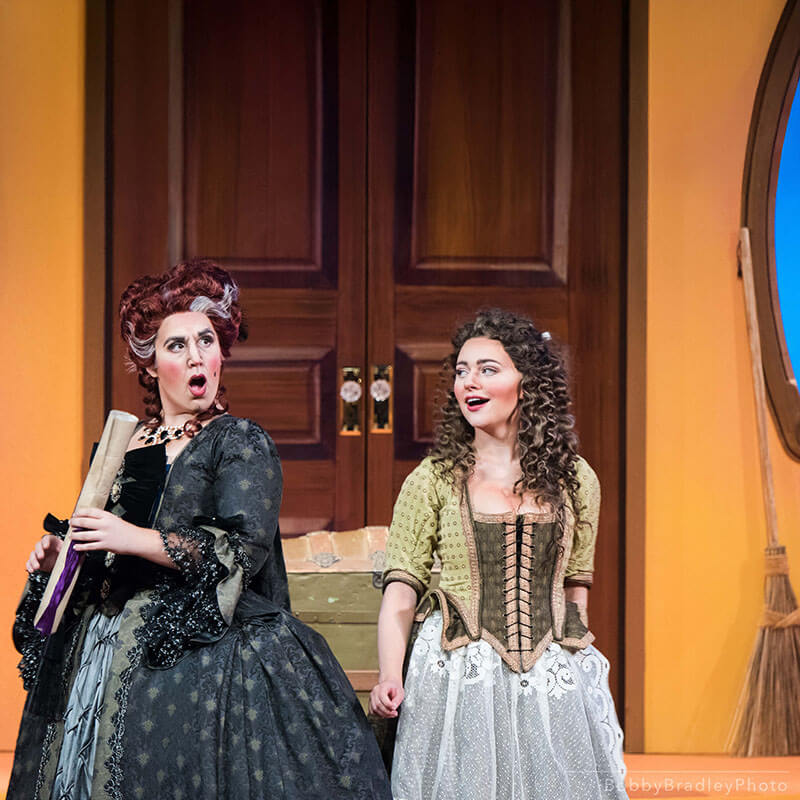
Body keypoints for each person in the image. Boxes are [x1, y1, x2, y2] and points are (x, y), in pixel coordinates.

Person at [9, 259, 391, 800]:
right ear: (150, 365)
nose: (195, 356)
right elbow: (103, 547)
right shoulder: (123, 443)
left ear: (220, 354)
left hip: (200, 647)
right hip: (104, 640)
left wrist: (134, 538)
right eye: (176, 345)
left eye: (205, 341)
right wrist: (61, 555)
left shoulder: (237, 441)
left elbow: (242, 548)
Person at [369, 308, 628, 800]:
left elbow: (576, 586)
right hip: (458, 672)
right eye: (462, 371)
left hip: (549, 671)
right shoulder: (433, 480)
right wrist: (388, 674)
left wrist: (574, 664)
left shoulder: (576, 479)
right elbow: (401, 591)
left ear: (526, 383)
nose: (470, 381)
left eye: (488, 369)